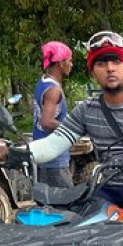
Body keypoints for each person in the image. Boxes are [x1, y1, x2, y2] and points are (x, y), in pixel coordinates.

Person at [0, 31, 123, 237]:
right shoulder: (87, 110)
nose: (110, 68)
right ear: (93, 72)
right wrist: (15, 151)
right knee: (81, 229)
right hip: (109, 187)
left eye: (116, 61)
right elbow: (53, 145)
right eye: (101, 63)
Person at [33, 41, 75, 187]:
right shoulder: (53, 90)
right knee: (67, 203)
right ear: (60, 63)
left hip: (42, 152)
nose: (71, 64)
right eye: (69, 60)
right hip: (55, 158)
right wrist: (73, 129)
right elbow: (47, 121)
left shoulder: (43, 82)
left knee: (46, 204)